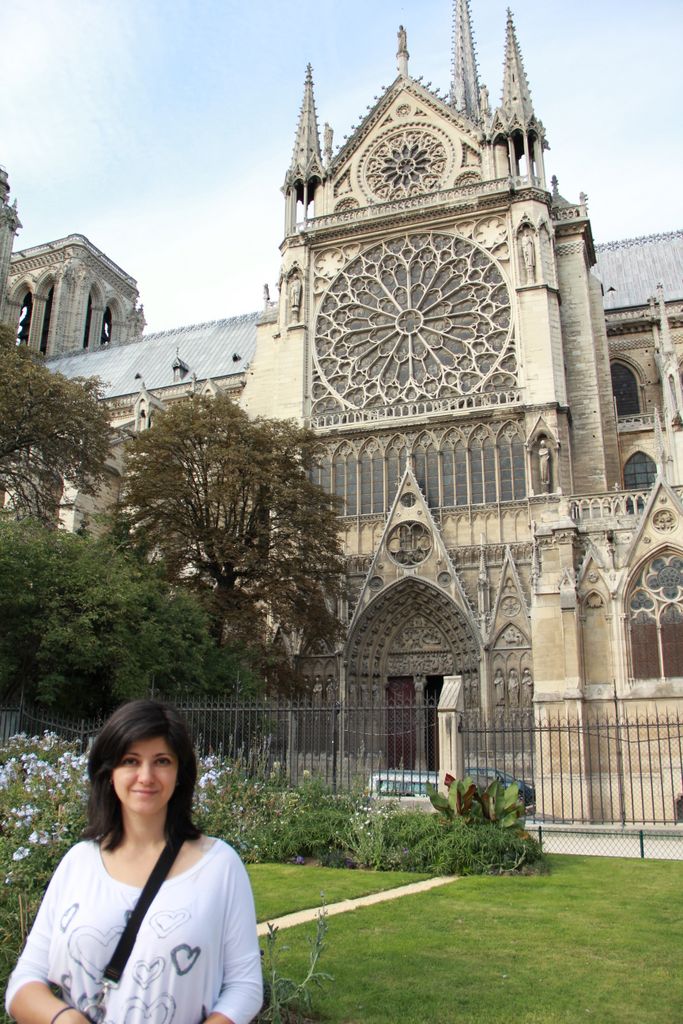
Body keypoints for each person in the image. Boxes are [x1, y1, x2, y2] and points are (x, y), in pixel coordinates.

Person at [6, 700, 263, 1024]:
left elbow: (244, 985)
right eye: (130, 760)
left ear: (179, 774)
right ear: (109, 772)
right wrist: (65, 1019)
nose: (146, 776)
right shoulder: (79, 863)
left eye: (162, 761)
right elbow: (24, 981)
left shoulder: (219, 866)